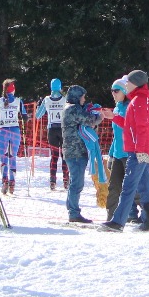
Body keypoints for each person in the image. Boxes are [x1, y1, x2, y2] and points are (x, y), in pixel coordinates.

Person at [99, 70, 149, 232]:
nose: (125, 84)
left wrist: (140, 151)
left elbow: (141, 128)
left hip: (137, 152)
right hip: (139, 151)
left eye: (127, 82)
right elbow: (131, 125)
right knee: (144, 188)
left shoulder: (139, 100)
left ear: (135, 83)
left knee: (128, 187)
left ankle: (118, 222)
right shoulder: (138, 99)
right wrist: (114, 117)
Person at [60, 85, 101, 223]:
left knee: (75, 182)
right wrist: (99, 116)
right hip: (75, 152)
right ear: (77, 97)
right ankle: (74, 213)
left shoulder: (69, 108)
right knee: (77, 183)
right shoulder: (73, 109)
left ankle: (72, 210)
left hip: (73, 151)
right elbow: (90, 120)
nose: (84, 99)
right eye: (82, 96)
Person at [0, 79, 26, 195]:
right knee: (13, 156)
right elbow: (25, 117)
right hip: (15, 131)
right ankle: (12, 183)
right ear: (13, 90)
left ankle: (4, 181)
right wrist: (23, 118)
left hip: (2, 131)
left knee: (3, 157)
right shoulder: (18, 101)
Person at [36, 80, 70, 190]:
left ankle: (52, 181)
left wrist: (38, 105)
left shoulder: (46, 100)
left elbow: (38, 115)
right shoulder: (65, 99)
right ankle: (66, 180)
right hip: (63, 129)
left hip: (52, 130)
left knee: (54, 156)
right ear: (60, 87)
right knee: (64, 156)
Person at [104, 80, 129, 218]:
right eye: (112, 90)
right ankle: (111, 217)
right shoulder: (117, 108)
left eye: (116, 90)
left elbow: (130, 128)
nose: (113, 93)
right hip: (118, 154)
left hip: (130, 154)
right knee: (113, 187)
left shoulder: (129, 107)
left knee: (134, 188)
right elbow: (116, 136)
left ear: (124, 92)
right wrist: (111, 155)